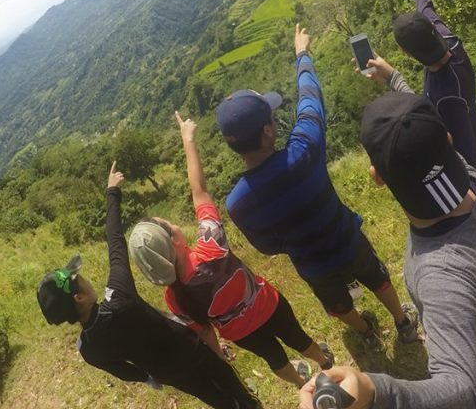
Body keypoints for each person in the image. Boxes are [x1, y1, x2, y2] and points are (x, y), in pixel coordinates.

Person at [299, 92, 476, 409]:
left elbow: (459, 394)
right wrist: (395, 83)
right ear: (448, 142)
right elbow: (431, 143)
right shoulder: (470, 180)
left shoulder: (442, 276)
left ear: (377, 178)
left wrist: (373, 393)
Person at [218, 24, 419, 347]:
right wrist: (302, 54)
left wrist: (298, 242)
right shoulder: (304, 150)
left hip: (312, 263)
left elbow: (267, 247)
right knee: (377, 278)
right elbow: (310, 99)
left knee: (337, 306)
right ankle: (402, 321)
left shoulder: (237, 202)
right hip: (346, 238)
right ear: (268, 130)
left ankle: (366, 332)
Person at [126, 111, 335, 388]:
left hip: (240, 333)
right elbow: (198, 190)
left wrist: (219, 355)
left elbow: (204, 330)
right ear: (174, 241)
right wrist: (188, 140)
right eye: (169, 225)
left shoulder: (173, 297)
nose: (174, 224)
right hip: (269, 305)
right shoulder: (211, 245)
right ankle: (324, 362)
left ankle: (300, 383)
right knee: (298, 337)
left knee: (273, 358)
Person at [36, 161, 258, 409]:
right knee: (219, 372)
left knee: (201, 390)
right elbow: (115, 241)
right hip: (188, 347)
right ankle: (248, 404)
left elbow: (123, 371)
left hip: (166, 371)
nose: (84, 278)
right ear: (80, 297)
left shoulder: (88, 349)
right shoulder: (119, 296)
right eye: (80, 279)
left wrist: (146, 376)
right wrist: (112, 192)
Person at [361, 0, 476, 194]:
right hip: (470, 113)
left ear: (407, 53)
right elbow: (424, 5)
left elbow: (423, 116)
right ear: (432, 27)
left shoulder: (444, 97)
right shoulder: (449, 39)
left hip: (462, 144)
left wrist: (392, 77)